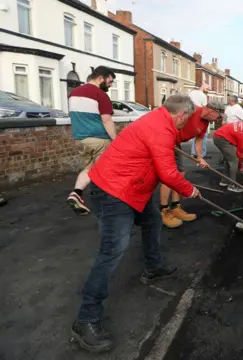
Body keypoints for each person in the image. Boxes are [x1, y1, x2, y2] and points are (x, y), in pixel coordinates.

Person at [71, 95, 200, 353]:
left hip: (129, 189)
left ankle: (153, 267)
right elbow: (167, 173)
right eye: (188, 118)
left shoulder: (158, 121)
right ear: (182, 115)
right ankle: (85, 320)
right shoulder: (161, 128)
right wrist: (189, 190)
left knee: (152, 220)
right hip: (112, 192)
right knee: (112, 251)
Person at [159, 102, 224, 228]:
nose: (217, 120)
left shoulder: (205, 123)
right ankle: (163, 211)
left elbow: (199, 139)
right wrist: (166, 139)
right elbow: (168, 121)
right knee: (168, 177)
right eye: (218, 117)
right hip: (165, 141)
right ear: (211, 111)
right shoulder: (190, 111)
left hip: (176, 144)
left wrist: (199, 157)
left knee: (180, 174)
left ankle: (175, 207)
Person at [66, 66, 116, 215]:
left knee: (90, 169)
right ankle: (107, 206)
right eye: (109, 81)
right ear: (100, 77)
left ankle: (76, 193)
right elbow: (107, 120)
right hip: (99, 139)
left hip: (80, 139)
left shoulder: (73, 93)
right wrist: (116, 140)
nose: (110, 84)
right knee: (105, 172)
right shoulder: (100, 94)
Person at [213, 120, 243, 193]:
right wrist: (240, 167)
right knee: (234, 161)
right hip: (221, 138)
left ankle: (225, 181)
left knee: (230, 158)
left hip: (221, 135)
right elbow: (239, 153)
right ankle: (232, 185)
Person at [189, 83, 210, 158]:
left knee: (195, 134)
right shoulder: (203, 96)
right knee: (202, 135)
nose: (208, 90)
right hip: (200, 116)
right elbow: (204, 107)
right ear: (203, 87)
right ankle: (202, 153)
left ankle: (193, 152)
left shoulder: (191, 93)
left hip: (191, 115)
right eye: (207, 89)